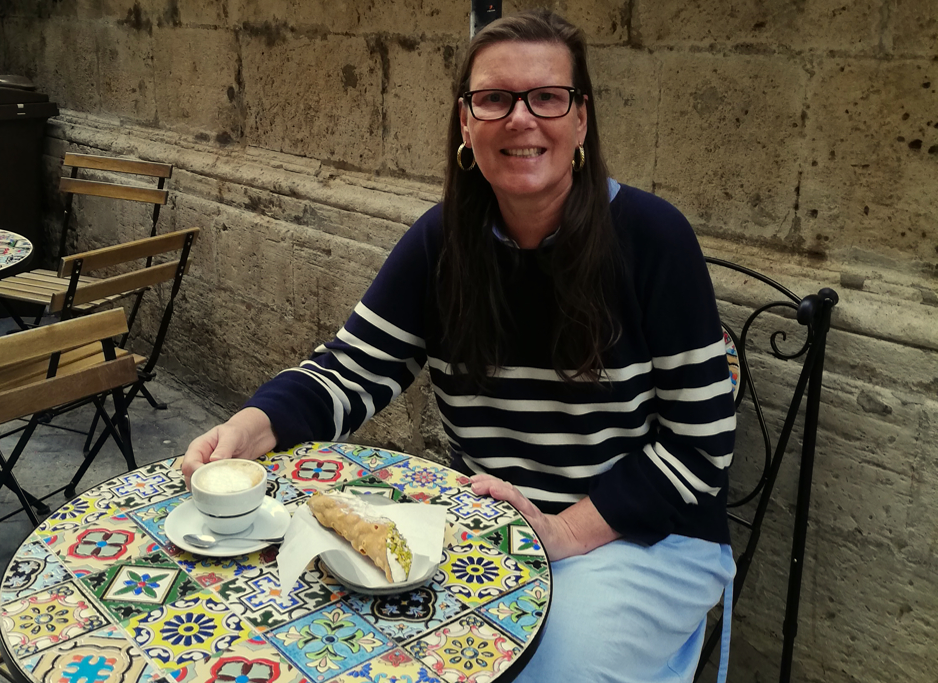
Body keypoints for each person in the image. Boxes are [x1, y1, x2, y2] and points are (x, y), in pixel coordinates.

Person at [183, 9, 736, 682]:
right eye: (495, 98)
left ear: (581, 118)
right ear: (467, 124)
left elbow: (698, 447)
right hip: (490, 532)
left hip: (641, 536)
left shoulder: (653, 239)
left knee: (528, 672)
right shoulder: (441, 242)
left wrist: (564, 532)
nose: (521, 118)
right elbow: (352, 369)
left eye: (548, 96)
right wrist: (254, 422)